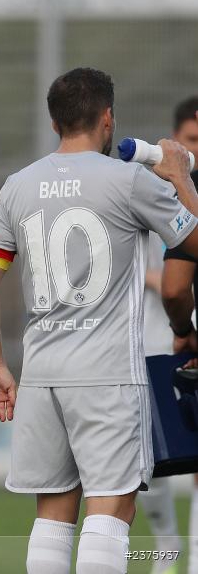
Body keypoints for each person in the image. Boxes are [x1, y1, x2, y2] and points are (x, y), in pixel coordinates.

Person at [0, 67, 198, 574]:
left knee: (53, 515)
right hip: (107, 376)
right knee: (112, 507)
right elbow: (194, 243)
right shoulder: (129, 179)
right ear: (108, 117)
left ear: (55, 123)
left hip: (42, 375)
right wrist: (181, 175)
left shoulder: (16, 186)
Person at [157, 97, 198, 574]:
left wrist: (184, 330)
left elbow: (173, 287)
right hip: (152, 337)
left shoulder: (179, 195)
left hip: (176, 334)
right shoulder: (153, 190)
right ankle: (167, 554)